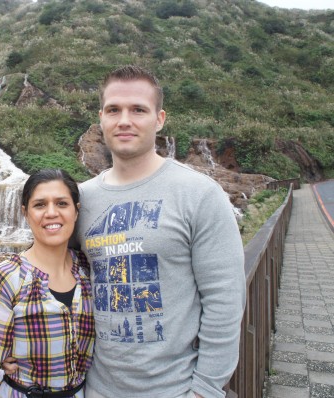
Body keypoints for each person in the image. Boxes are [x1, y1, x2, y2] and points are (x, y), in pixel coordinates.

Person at [73, 65, 246, 398]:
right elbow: (48, 275)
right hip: (94, 389)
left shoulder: (200, 194)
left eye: (138, 109)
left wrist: (206, 389)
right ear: (102, 119)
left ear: (159, 118)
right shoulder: (82, 199)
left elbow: (225, 299)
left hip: (175, 389)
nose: (124, 120)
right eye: (114, 110)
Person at [0, 169, 95, 398]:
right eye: (40, 205)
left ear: (76, 211)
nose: (51, 213)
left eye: (62, 203)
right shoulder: (5, 277)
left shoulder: (89, 270)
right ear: (26, 212)